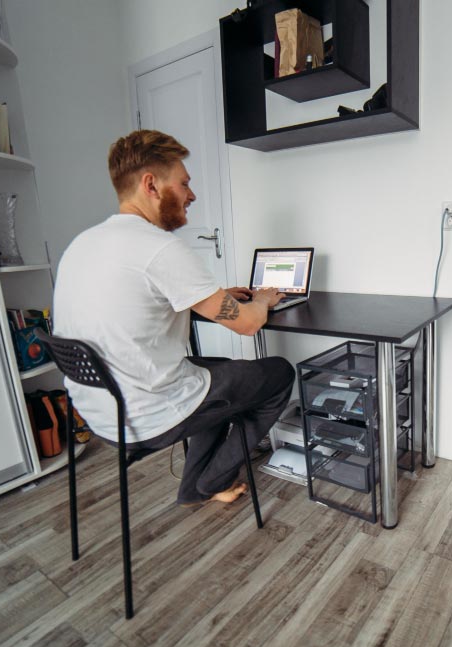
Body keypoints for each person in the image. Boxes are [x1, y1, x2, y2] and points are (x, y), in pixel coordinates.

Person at [52, 130, 294, 507]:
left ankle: (193, 485)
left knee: (223, 371)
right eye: (184, 183)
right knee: (278, 373)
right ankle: (212, 480)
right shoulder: (160, 248)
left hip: (102, 412)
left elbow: (133, 301)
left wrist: (213, 296)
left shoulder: (82, 245)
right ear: (151, 184)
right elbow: (248, 324)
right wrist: (261, 299)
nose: (191, 195)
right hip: (150, 413)